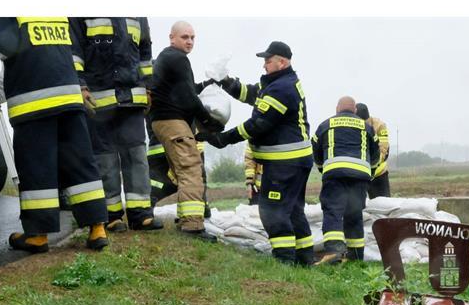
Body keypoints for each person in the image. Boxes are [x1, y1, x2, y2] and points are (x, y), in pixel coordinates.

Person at [0, 17, 109, 253]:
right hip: (70, 99)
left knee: (37, 170)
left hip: (33, 102)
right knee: (81, 165)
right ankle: (97, 229)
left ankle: (38, 236)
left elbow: (5, 47)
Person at [201, 41, 314, 265]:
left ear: (282, 62)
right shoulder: (279, 83)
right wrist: (225, 81)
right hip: (294, 161)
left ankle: (284, 261)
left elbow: (259, 124)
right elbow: (251, 93)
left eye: (268, 61)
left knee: (272, 210)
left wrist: (223, 138)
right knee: (293, 211)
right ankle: (304, 259)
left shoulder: (282, 89)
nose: (264, 65)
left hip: (285, 163)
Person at [74, 17, 162, 233]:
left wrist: (148, 87)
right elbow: (74, 52)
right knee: (105, 159)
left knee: (137, 156)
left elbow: (145, 52)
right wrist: (81, 85)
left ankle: (140, 214)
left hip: (131, 99)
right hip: (98, 101)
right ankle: (111, 216)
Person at [149, 21, 214, 238]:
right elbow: (187, 97)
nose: (189, 41)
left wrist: (205, 85)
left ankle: (181, 218)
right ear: (172, 37)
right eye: (185, 37)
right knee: (191, 169)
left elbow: (183, 90)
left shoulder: (167, 58)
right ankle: (193, 227)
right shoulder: (178, 58)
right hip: (173, 121)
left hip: (162, 121)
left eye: (192, 38)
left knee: (178, 174)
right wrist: (208, 120)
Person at [311, 96, 378, 265]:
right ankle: (356, 257)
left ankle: (335, 252)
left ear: (337, 108)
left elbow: (316, 152)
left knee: (333, 212)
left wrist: (322, 168)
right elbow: (376, 156)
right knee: (354, 215)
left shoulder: (325, 125)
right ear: (355, 110)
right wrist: (369, 173)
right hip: (360, 177)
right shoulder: (367, 127)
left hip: (335, 175)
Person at [355, 103, 391, 199]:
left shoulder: (379, 125)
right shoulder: (351, 126)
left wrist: (373, 168)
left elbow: (384, 150)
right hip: (357, 174)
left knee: (384, 206)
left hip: (378, 173)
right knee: (355, 208)